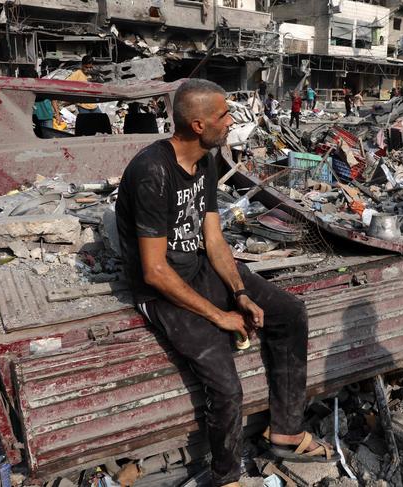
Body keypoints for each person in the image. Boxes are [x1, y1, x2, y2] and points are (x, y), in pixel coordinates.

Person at [115, 79, 338, 487]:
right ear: (198, 124)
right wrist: (221, 317)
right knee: (226, 386)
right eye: (224, 114)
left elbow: (214, 239)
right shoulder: (152, 172)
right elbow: (154, 271)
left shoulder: (206, 162)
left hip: (198, 268)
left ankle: (285, 432)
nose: (232, 121)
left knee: (288, 312)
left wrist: (239, 293)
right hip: (161, 289)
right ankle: (225, 477)